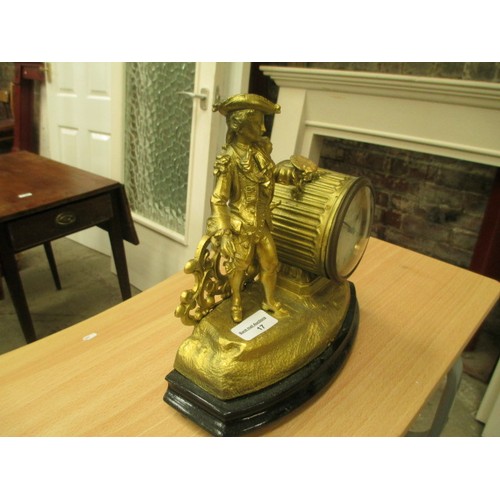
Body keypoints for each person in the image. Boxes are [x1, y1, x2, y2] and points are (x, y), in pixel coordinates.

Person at [208, 94, 287, 323]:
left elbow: (268, 178)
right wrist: (224, 233)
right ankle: (235, 299)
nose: (263, 128)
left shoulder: (260, 153)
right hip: (241, 225)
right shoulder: (229, 160)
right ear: (238, 126)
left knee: (271, 263)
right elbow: (218, 199)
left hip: (262, 223)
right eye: (256, 123)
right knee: (238, 267)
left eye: (263, 122)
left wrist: (286, 171)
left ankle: (269, 300)